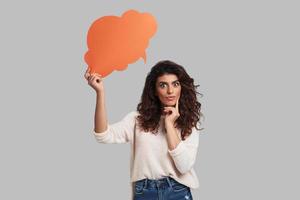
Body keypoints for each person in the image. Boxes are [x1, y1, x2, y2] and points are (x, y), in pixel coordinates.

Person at [84, 60, 204, 200]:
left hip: (177, 191)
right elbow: (103, 135)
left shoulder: (189, 122)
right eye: (163, 85)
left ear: (181, 87)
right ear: (154, 90)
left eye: (175, 84)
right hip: (145, 192)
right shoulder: (138, 120)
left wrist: (170, 124)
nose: (170, 91)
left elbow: (184, 166)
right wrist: (100, 92)